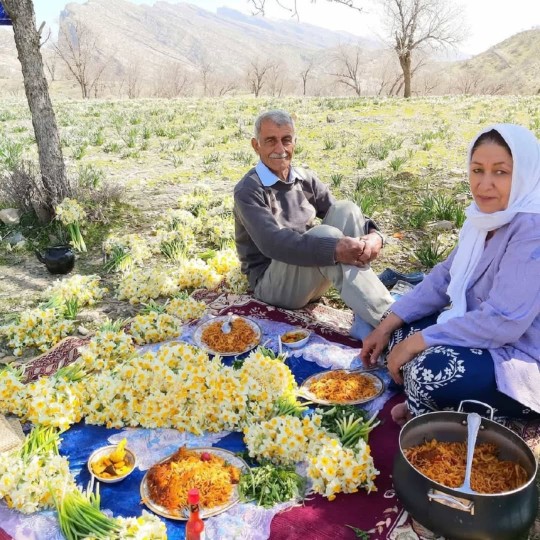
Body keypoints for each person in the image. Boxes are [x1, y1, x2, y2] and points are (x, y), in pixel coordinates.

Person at [361, 124, 540, 423]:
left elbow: (503, 321)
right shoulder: (483, 219)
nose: (484, 185)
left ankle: (431, 404)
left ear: (525, 173)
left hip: (521, 355)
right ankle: (434, 402)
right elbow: (445, 276)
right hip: (479, 331)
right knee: (400, 332)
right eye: (477, 170)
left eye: (500, 172)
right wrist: (386, 325)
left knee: (427, 370)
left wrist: (418, 343)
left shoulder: (531, 229)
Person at [233, 109, 393, 337]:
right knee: (324, 235)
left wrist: (376, 235)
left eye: (286, 140)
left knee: (347, 209)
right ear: (256, 145)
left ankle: (365, 317)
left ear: (294, 142)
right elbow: (273, 244)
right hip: (275, 285)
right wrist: (334, 248)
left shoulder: (304, 178)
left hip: (309, 274)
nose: (280, 149)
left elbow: (340, 213)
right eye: (270, 141)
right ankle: (390, 322)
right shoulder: (249, 190)